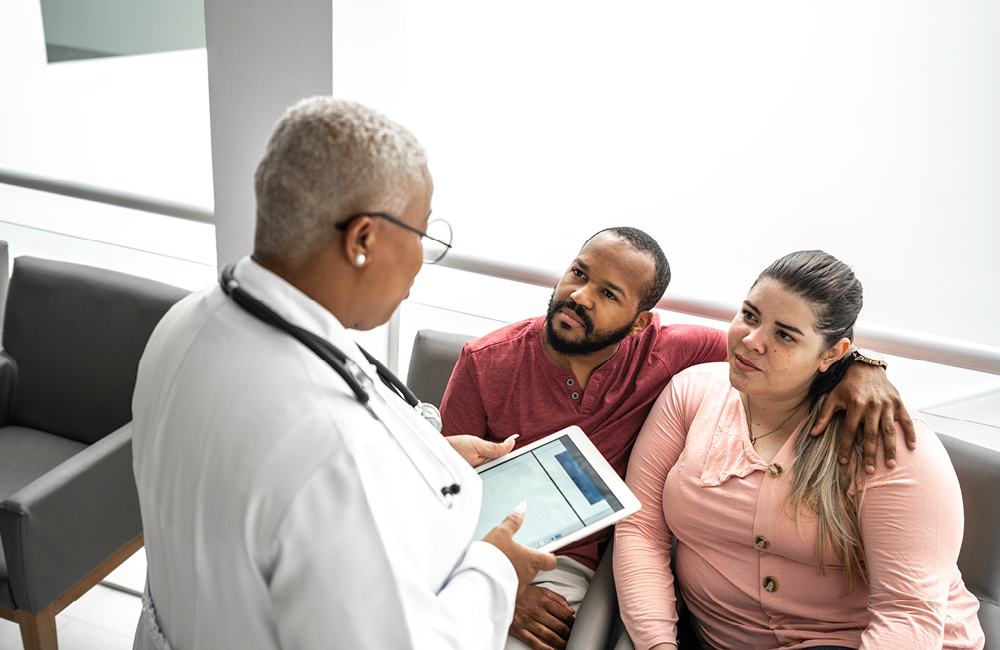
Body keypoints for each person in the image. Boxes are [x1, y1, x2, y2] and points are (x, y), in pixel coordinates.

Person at [131, 97, 556, 650]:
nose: (421, 262)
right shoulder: (336, 450)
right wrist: (496, 570)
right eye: (422, 236)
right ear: (363, 240)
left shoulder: (186, 322)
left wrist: (421, 453)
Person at [440, 230, 915, 650]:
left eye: (608, 293)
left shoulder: (674, 353)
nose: (580, 297)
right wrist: (507, 586)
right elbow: (435, 492)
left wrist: (861, 368)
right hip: (471, 543)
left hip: (572, 568)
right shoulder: (484, 361)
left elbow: (774, 349)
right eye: (578, 273)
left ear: (641, 322)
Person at [614, 250, 984, 650]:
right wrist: (657, 644)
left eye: (785, 335)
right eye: (750, 315)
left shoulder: (885, 437)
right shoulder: (690, 392)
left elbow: (908, 614)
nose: (751, 341)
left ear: (833, 353)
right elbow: (640, 529)